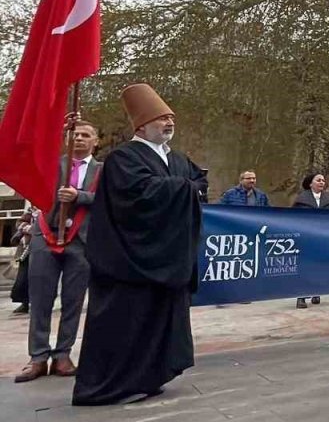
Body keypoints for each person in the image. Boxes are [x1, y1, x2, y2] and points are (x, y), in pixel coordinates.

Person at [73, 84, 206, 406]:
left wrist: (183, 187)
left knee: (160, 321)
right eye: (161, 118)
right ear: (142, 125)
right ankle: (112, 385)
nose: (168, 122)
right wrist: (184, 188)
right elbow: (140, 196)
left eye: (171, 117)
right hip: (131, 260)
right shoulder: (123, 158)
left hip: (167, 256)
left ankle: (150, 376)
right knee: (126, 322)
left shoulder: (176, 158)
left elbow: (199, 181)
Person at [15, 121, 99, 384]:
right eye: (74, 135)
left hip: (81, 241)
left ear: (96, 141)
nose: (80, 139)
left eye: (86, 135)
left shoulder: (103, 171)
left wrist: (80, 196)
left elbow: (111, 198)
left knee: (73, 302)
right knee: (40, 301)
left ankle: (63, 354)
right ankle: (38, 357)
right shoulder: (51, 164)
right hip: (45, 237)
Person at [289, 173, 329, 309]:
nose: (322, 182)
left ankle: (317, 291)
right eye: (318, 180)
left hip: (324, 236)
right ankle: (301, 296)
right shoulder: (301, 200)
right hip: (306, 236)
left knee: (319, 265)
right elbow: (294, 218)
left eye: (323, 181)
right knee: (304, 266)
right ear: (310, 183)